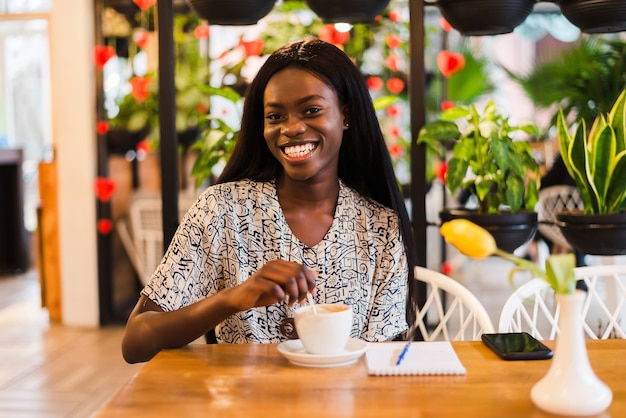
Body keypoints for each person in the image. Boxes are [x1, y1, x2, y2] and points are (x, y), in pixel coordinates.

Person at [121, 37, 419, 364]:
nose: (291, 128)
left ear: (345, 115)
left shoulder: (381, 228)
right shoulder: (221, 211)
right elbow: (136, 341)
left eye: (311, 110)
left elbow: (382, 360)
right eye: (275, 116)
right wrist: (232, 299)